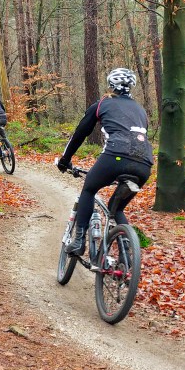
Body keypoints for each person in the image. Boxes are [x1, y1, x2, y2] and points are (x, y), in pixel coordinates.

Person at [56, 68, 153, 255]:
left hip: (115, 156)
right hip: (144, 164)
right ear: (131, 86)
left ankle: (78, 242)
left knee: (89, 189)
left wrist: (64, 160)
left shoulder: (102, 104)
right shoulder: (141, 110)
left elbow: (79, 134)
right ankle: (127, 251)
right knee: (116, 209)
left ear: (111, 85)